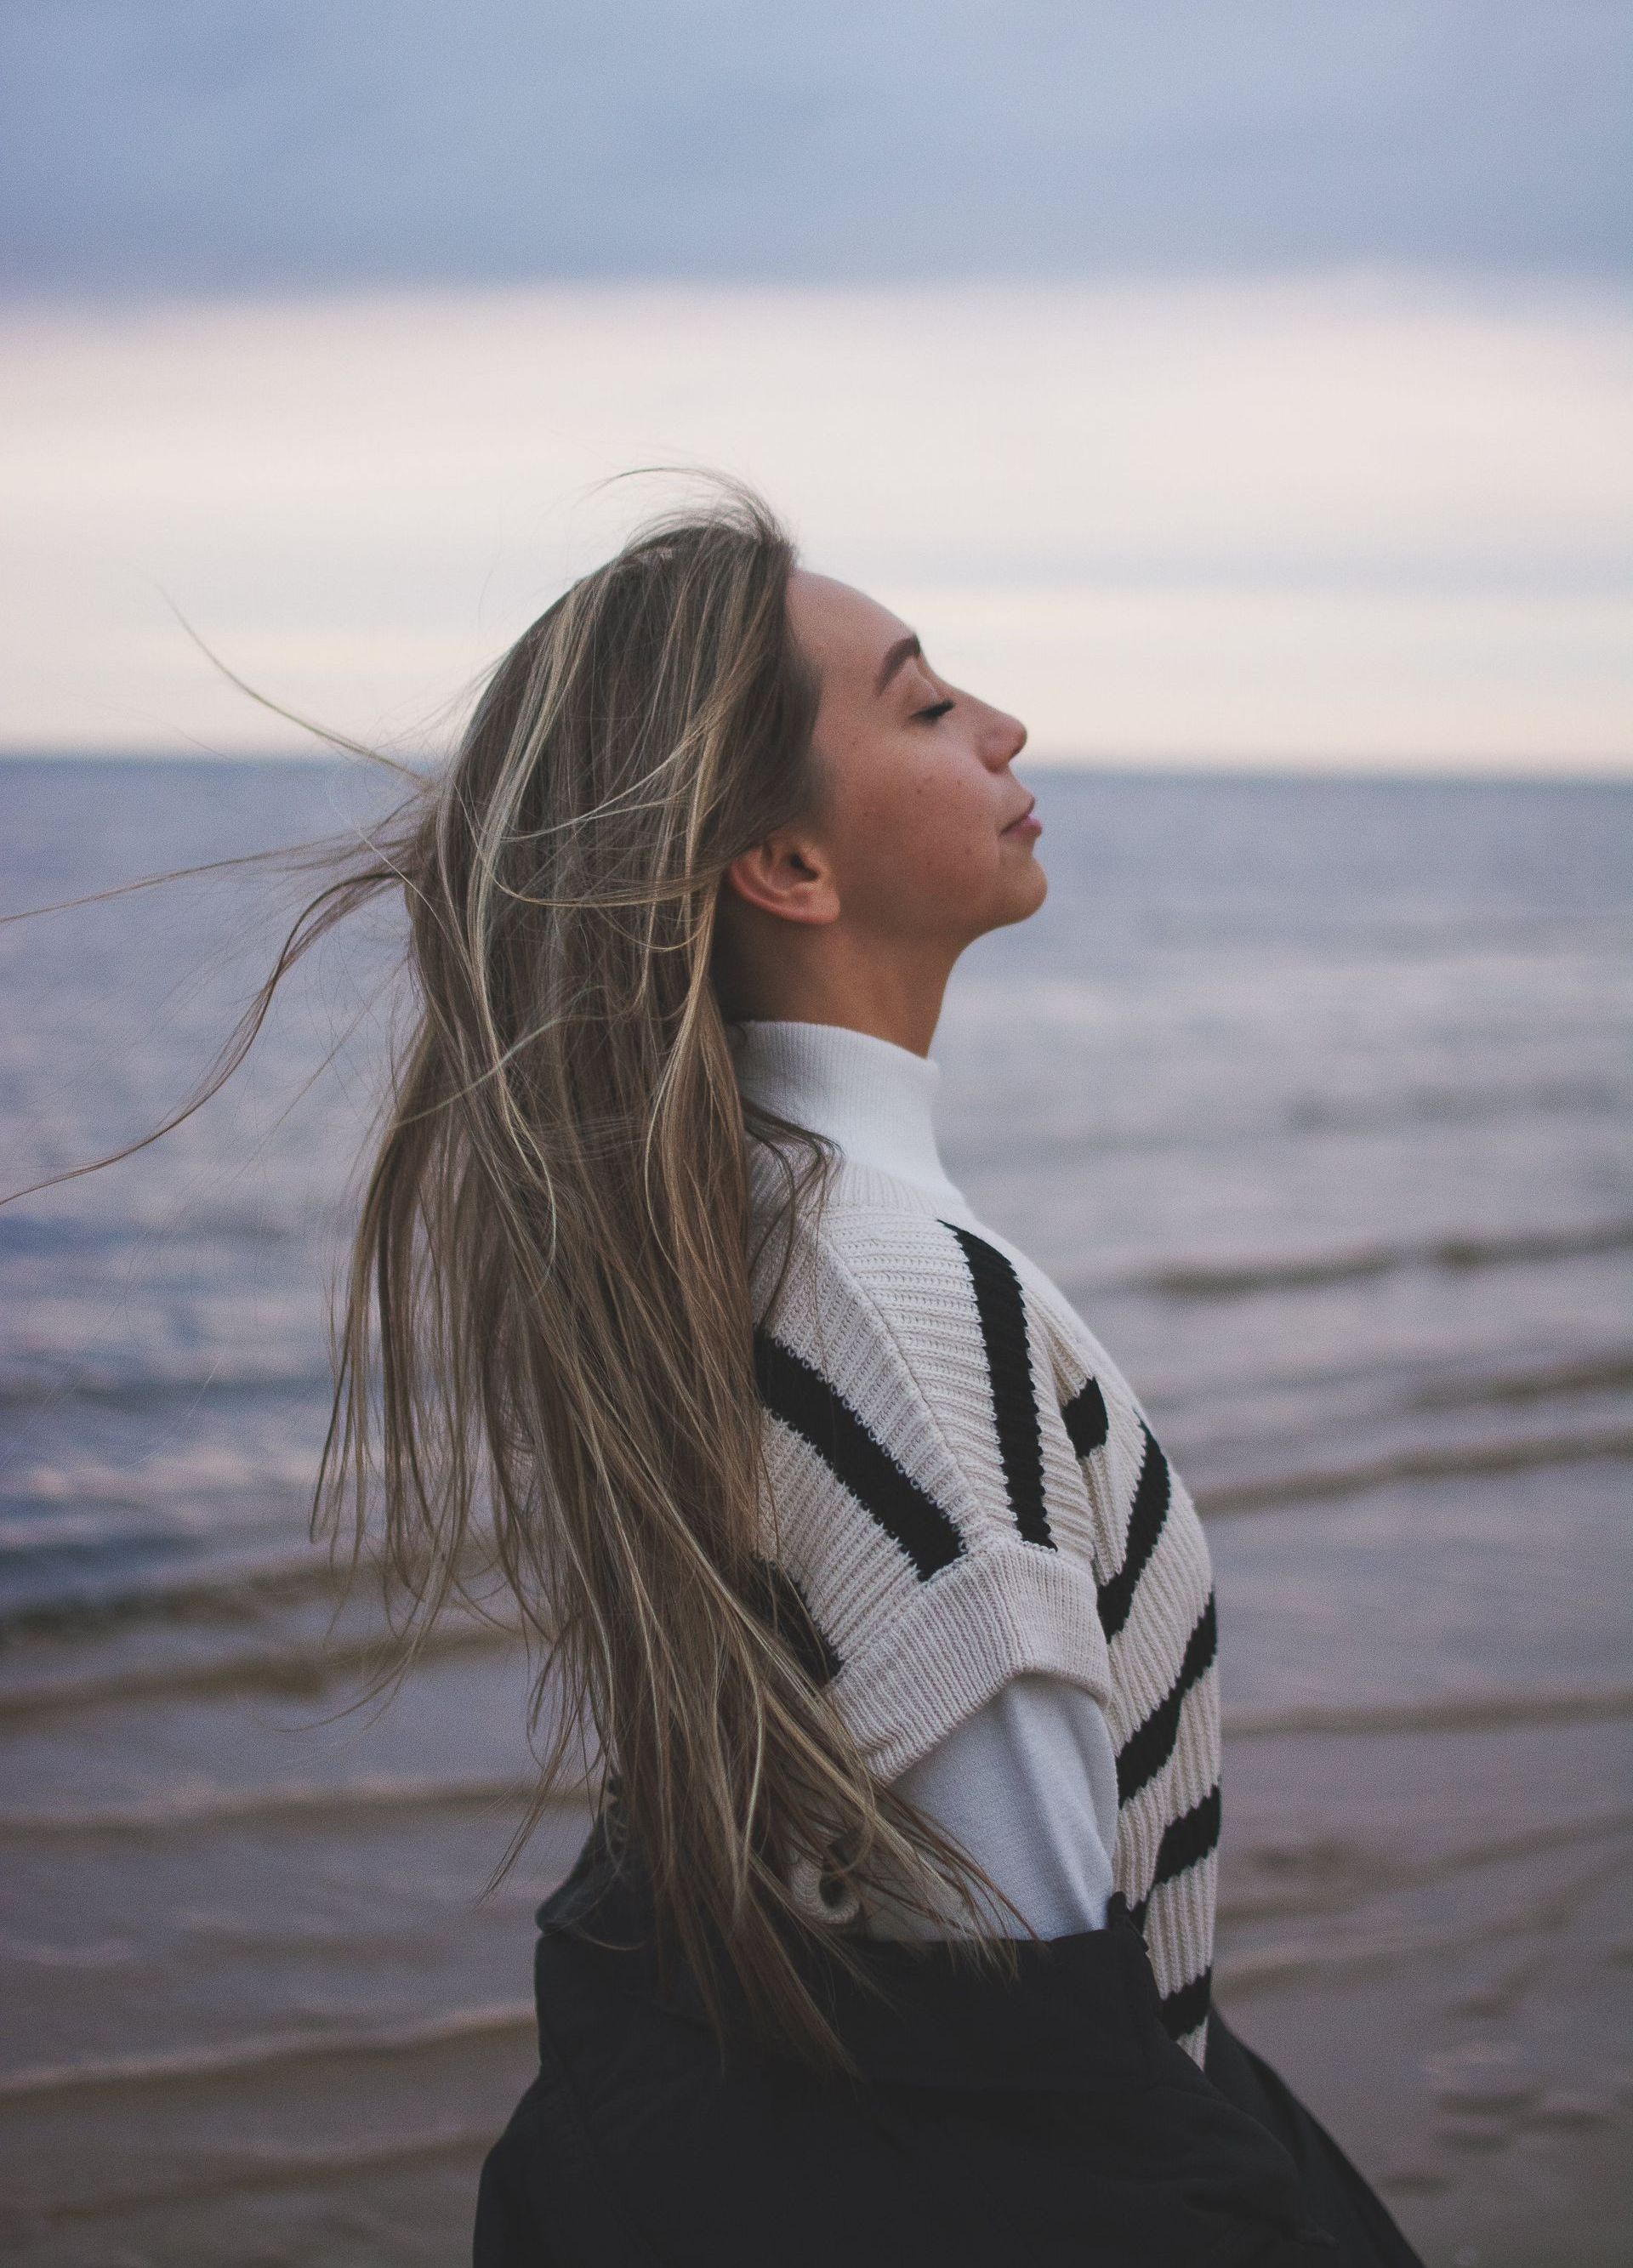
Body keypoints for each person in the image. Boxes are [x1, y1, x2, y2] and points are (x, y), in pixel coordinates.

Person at [60, 476, 1423, 2263]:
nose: (1007, 725)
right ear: (785, 864)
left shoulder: (766, 1246)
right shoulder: (899, 1314)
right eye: (929, 704)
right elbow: (1033, 2083)